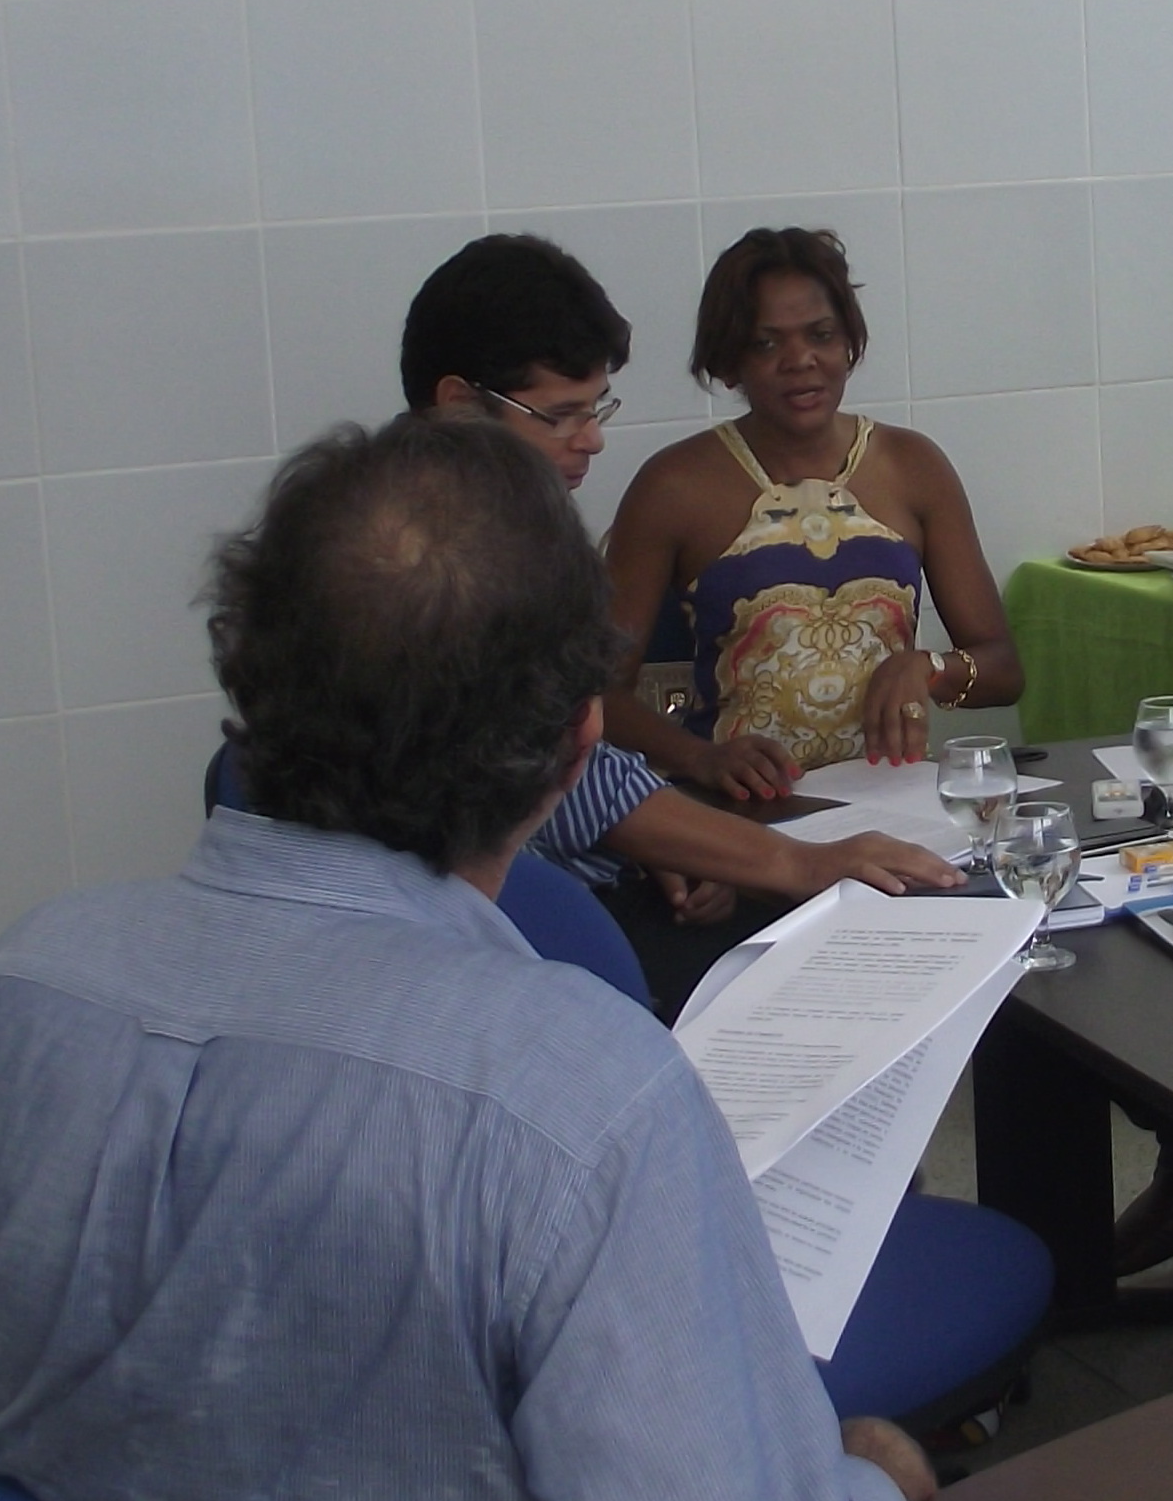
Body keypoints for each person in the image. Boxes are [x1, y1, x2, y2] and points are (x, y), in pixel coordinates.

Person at [0, 418, 936, 1501]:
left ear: (250, 685)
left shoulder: (27, 981)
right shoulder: (576, 1096)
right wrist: (871, 1497)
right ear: (575, 747)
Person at [401, 234, 958, 1007]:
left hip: (595, 874)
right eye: (561, 416)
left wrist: (664, 836)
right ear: (460, 405)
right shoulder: (421, 569)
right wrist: (788, 861)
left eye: (597, 408)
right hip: (503, 926)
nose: (592, 438)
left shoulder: (496, 533)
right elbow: (562, 774)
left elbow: (589, 776)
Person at [604, 225, 1023, 795]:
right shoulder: (673, 487)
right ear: (729, 362)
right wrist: (700, 758)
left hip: (896, 804)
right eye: (766, 344)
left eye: (821, 335)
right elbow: (596, 695)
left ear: (849, 343)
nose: (800, 360)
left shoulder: (914, 466)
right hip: (745, 811)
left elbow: (1003, 670)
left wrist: (927, 667)